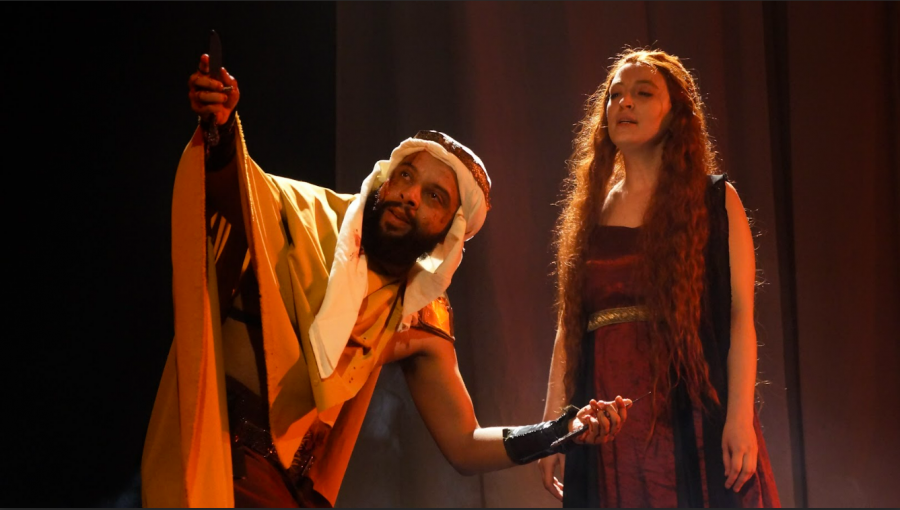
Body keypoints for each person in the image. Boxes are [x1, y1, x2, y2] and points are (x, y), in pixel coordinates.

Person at [141, 54, 631, 508]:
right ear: (384, 180)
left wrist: (557, 430)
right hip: (210, 462)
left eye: (435, 196)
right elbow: (237, 189)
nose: (410, 195)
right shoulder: (302, 216)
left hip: (285, 491)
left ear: (450, 233)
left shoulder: (418, 311)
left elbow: (464, 443)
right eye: (405, 177)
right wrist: (222, 127)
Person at [537, 48, 781, 507]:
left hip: (690, 413)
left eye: (643, 93)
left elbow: (740, 317)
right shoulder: (591, 214)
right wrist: (552, 427)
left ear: (676, 115)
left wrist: (739, 418)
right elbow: (568, 328)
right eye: (615, 95)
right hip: (609, 422)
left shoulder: (714, 201)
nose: (624, 103)